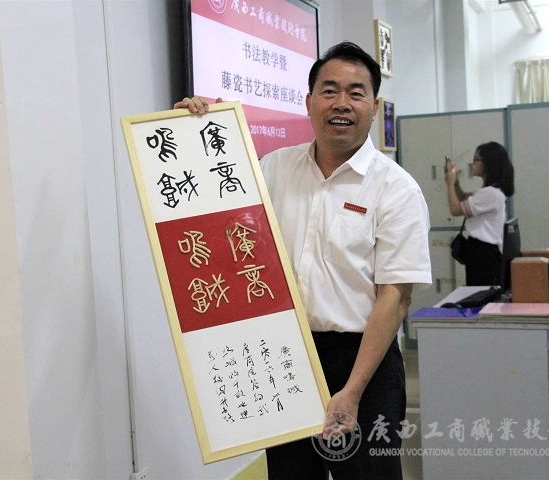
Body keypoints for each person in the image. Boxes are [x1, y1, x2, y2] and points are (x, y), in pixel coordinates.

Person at [175, 41, 431, 480]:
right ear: (309, 102)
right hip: (286, 357)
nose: (341, 103)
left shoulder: (396, 189)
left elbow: (395, 297)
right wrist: (193, 129)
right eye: (329, 91)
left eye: (356, 93)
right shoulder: (273, 169)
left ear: (374, 107)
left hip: (362, 362)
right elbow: (217, 217)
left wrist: (351, 390)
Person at [444, 141, 515, 287]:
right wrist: (455, 182)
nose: (473, 164)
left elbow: (455, 209)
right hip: (480, 252)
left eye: (476, 159)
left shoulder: (490, 194)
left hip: (484, 254)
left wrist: (449, 183)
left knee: (480, 293)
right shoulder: (489, 192)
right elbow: (463, 198)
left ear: (488, 163)